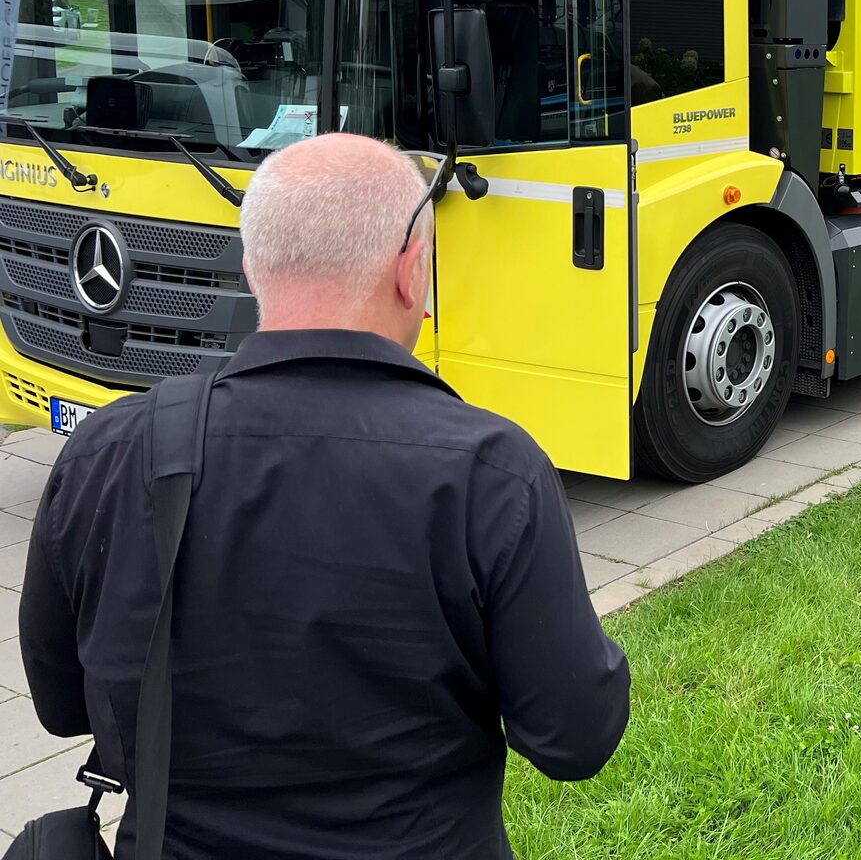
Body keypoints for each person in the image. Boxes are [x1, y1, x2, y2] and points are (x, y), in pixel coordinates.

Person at [20, 133, 631, 859]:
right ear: (411, 271)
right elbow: (575, 737)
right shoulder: (492, 474)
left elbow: (62, 705)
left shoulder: (111, 452)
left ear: (253, 270)